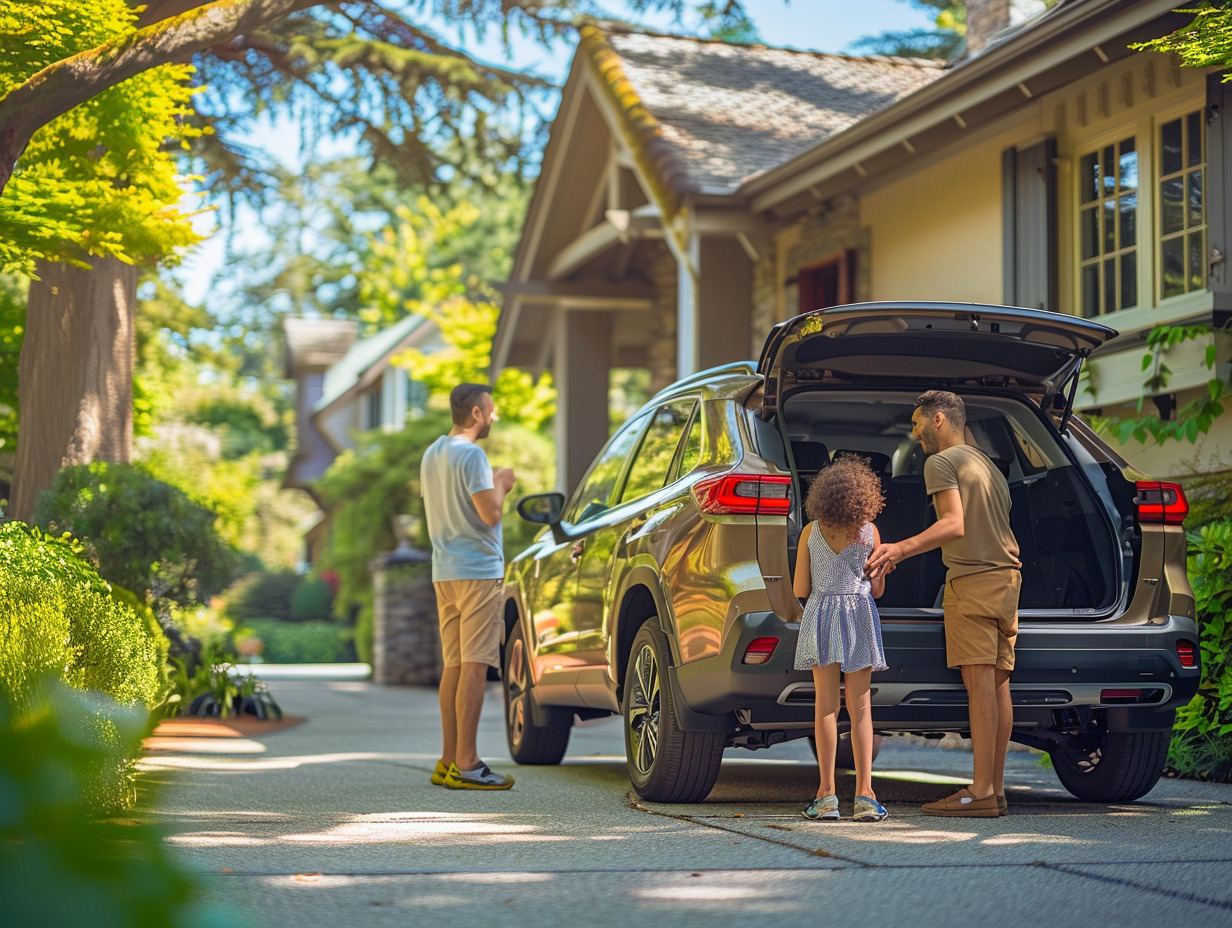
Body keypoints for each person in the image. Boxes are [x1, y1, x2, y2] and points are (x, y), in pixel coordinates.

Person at [864, 390, 1021, 818]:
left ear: (938, 419)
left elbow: (953, 524)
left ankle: (981, 792)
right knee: (998, 684)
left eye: (916, 424)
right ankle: (996, 789)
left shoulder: (941, 462)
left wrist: (899, 549)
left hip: (972, 581)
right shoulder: (987, 465)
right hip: (1007, 580)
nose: (914, 435)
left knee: (979, 687)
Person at [420, 383, 517, 790]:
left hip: (445, 571)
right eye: (490, 410)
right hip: (478, 571)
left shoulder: (432, 453)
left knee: (455, 666)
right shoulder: (473, 454)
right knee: (475, 666)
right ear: (476, 413)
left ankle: (447, 761)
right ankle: (469, 763)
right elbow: (490, 514)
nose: (493, 417)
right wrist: (503, 484)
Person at [793, 454, 889, 823]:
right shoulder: (870, 532)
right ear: (864, 495)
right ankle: (865, 795)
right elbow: (877, 589)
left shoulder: (811, 531)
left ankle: (826, 795)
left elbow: (802, 587)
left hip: (821, 617)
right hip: (859, 616)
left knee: (826, 708)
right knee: (861, 708)